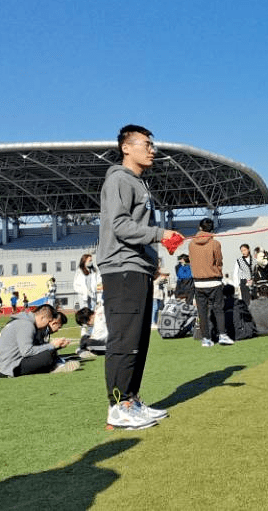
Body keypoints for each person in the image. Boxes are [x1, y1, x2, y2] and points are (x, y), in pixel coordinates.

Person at [97, 124, 180, 430]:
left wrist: (152, 259)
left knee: (139, 340)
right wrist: (160, 233)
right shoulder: (119, 180)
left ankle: (130, 400)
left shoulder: (138, 184)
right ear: (126, 147)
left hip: (137, 267)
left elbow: (135, 229)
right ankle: (117, 406)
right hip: (121, 269)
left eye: (151, 145)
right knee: (124, 339)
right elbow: (119, 225)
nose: (152, 150)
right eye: (146, 144)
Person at [0, 304, 80, 377]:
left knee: (48, 351)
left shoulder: (23, 321)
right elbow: (27, 351)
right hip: (5, 367)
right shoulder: (27, 325)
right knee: (47, 355)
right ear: (42, 318)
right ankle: (54, 367)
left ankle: (55, 364)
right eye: (48, 321)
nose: (47, 325)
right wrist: (53, 345)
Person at [189, 218, 234, 347]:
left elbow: (192, 260)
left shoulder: (191, 244)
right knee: (218, 310)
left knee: (202, 311)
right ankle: (222, 335)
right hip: (214, 281)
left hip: (198, 282)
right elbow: (219, 260)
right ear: (212, 229)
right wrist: (217, 269)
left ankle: (206, 339)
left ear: (200, 228)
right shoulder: (215, 243)